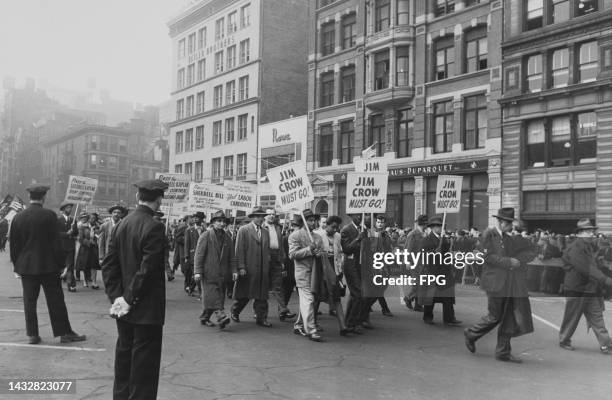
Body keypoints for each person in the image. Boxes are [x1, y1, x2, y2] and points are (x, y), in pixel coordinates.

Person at [102, 179, 169, 400]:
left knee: (124, 357)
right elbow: (147, 270)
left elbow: (109, 265)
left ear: (137, 197)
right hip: (146, 309)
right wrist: (128, 299)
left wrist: (117, 298)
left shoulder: (122, 223)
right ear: (159, 199)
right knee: (144, 366)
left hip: (123, 306)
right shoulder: (155, 226)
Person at [9, 184, 86, 345]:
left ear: (30, 198)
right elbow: (55, 243)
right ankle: (64, 333)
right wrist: (61, 264)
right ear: (43, 198)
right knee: (56, 300)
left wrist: (18, 265)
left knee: (29, 301)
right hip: (48, 265)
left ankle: (32, 334)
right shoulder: (49, 215)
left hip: (26, 266)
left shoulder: (18, 217)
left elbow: (14, 246)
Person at [464, 208, 537, 363]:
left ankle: (503, 352)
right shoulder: (488, 234)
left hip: (508, 283)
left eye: (511, 223)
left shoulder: (507, 237)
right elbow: (485, 256)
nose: (511, 227)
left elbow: (527, 250)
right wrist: (508, 262)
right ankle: (471, 333)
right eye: (509, 223)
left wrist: (522, 257)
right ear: (502, 222)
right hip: (494, 282)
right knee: (494, 316)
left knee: (508, 317)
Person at [559, 218, 612, 354]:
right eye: (588, 231)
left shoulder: (588, 246)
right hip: (577, 288)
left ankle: (606, 344)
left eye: (592, 231)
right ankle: (564, 339)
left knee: (597, 317)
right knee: (572, 317)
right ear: (580, 233)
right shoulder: (575, 248)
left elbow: (594, 266)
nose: (592, 234)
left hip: (589, 288)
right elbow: (587, 269)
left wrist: (604, 269)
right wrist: (606, 280)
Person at [231, 206, 272, 327]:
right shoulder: (244, 230)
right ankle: (235, 310)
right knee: (245, 294)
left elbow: (267, 249)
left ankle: (261, 317)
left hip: (262, 269)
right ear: (253, 217)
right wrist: (241, 267)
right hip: (249, 267)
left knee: (261, 295)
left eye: (262, 216)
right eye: (258, 216)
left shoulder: (266, 232)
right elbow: (239, 250)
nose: (260, 219)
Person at [289, 210, 325, 342]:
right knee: (308, 300)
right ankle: (311, 330)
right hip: (302, 274)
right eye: (309, 220)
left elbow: (321, 253)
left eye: (314, 220)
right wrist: (309, 250)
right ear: (303, 222)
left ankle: (299, 324)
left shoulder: (318, 237)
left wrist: (319, 253)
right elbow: (292, 255)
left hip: (315, 274)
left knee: (308, 301)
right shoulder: (295, 236)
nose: (313, 222)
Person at [194, 211, 234, 329]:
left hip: (222, 274)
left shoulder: (227, 238)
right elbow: (199, 255)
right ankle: (220, 315)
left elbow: (232, 256)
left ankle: (204, 317)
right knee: (213, 295)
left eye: (223, 221)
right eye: (219, 221)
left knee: (217, 297)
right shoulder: (205, 236)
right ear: (213, 223)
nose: (221, 224)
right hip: (208, 273)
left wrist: (234, 270)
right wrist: (197, 271)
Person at [419, 216, 461, 326]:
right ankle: (427, 316)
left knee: (448, 296)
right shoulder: (426, 240)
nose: (440, 228)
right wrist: (434, 252)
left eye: (441, 226)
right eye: (438, 226)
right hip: (432, 271)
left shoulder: (445, 240)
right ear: (432, 227)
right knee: (431, 296)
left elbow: (447, 255)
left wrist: (451, 268)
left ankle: (449, 318)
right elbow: (424, 256)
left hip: (445, 271)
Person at [313, 214, 349, 336]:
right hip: (322, 271)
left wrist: (340, 271)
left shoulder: (338, 236)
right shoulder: (318, 236)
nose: (335, 230)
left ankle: (343, 326)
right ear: (326, 225)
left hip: (335, 271)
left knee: (337, 298)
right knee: (317, 298)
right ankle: (312, 323)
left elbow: (340, 254)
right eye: (333, 227)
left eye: (337, 228)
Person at [264, 209, 296, 321]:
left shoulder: (278, 228)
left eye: (273, 214)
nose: (272, 216)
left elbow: (281, 246)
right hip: (265, 258)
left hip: (276, 258)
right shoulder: (262, 228)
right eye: (269, 214)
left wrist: (282, 260)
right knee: (262, 286)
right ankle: (258, 312)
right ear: (265, 216)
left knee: (278, 286)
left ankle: (283, 308)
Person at [341, 213, 369, 334]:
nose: (359, 218)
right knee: (358, 294)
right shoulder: (346, 229)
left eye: (361, 215)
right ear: (351, 216)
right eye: (357, 215)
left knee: (355, 295)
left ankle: (349, 322)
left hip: (360, 265)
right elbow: (346, 249)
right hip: (350, 265)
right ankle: (351, 322)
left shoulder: (363, 229)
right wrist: (358, 238)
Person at [402, 215, 428, 311]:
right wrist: (407, 261)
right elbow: (407, 248)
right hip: (415, 262)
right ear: (423, 224)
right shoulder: (413, 234)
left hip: (422, 262)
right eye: (426, 223)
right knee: (417, 284)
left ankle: (418, 305)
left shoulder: (424, 234)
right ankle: (408, 298)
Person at [99, 204, 127, 280]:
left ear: (121, 214)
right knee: (108, 275)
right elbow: (101, 242)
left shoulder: (125, 225)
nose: (116, 214)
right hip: (108, 255)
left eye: (118, 212)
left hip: (121, 255)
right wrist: (101, 257)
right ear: (111, 213)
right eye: (114, 212)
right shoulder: (105, 226)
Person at [58, 201, 78, 292]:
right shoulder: (58, 220)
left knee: (70, 266)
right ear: (63, 209)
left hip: (70, 246)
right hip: (61, 246)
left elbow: (76, 233)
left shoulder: (73, 220)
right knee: (60, 266)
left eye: (70, 208)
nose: (70, 209)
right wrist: (66, 233)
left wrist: (73, 230)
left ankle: (71, 284)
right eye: (68, 208)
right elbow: (55, 233)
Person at [185, 212, 206, 297]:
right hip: (192, 255)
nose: (196, 219)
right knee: (195, 273)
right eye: (195, 217)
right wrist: (186, 256)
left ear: (202, 219)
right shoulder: (189, 230)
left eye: (198, 218)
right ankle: (199, 291)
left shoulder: (205, 230)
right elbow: (187, 244)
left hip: (202, 255)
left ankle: (191, 288)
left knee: (198, 273)